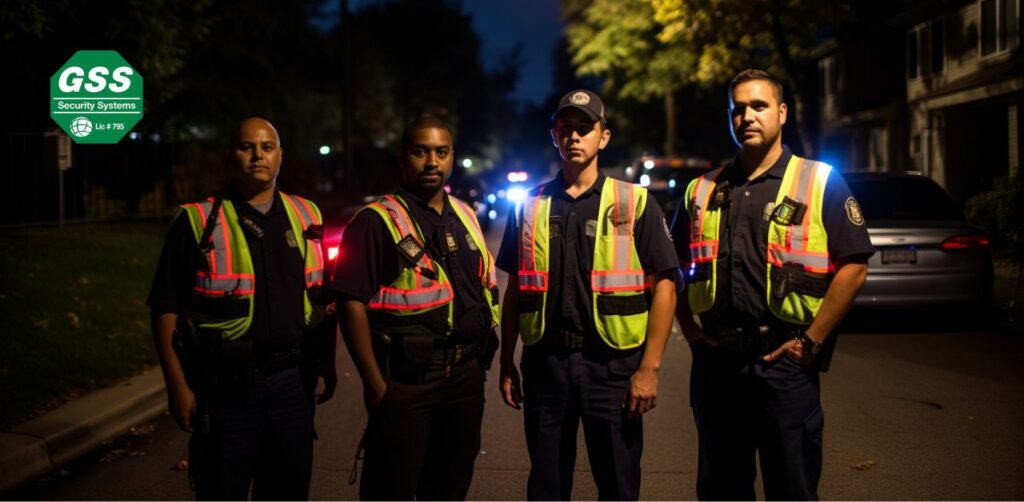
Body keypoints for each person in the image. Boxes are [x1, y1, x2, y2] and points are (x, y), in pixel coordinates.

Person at [671, 69, 874, 500]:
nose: (747, 116)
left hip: (784, 363)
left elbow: (854, 266)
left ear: (782, 112)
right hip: (717, 365)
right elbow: (671, 269)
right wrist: (690, 331)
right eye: (737, 108)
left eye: (758, 106)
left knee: (792, 488)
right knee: (721, 489)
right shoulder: (702, 189)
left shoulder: (819, 181)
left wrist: (811, 341)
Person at [497, 89, 678, 500]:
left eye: (584, 128)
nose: (574, 137)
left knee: (617, 484)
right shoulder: (528, 205)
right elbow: (516, 289)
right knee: (546, 486)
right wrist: (508, 360)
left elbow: (665, 283)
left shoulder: (636, 202)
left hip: (612, 369)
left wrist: (649, 369)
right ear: (553, 136)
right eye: (565, 129)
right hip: (546, 366)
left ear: (604, 136)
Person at [148, 117, 336, 500]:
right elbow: (165, 306)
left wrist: (326, 362)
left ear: (280, 156)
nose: (257, 156)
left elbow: (322, 301)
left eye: (266, 147)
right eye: (246, 147)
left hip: (292, 387)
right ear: (230, 154)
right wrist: (177, 386)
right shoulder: (197, 221)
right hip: (224, 392)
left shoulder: (307, 216)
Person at [332, 116, 500, 500]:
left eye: (441, 152)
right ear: (403, 158)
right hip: (408, 380)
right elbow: (349, 302)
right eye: (420, 152)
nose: (431, 162)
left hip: (464, 377)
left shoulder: (464, 214)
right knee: (393, 486)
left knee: (450, 484)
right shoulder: (376, 221)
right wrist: (376, 386)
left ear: (452, 157)